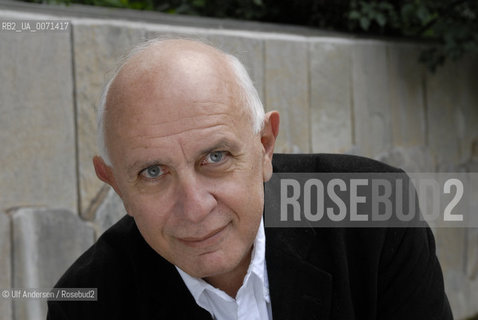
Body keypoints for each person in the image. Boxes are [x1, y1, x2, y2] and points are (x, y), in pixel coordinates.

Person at [47, 38, 453, 320]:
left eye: (216, 157)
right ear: (116, 185)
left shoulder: (374, 209)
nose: (195, 206)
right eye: (153, 172)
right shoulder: (85, 304)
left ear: (265, 146)